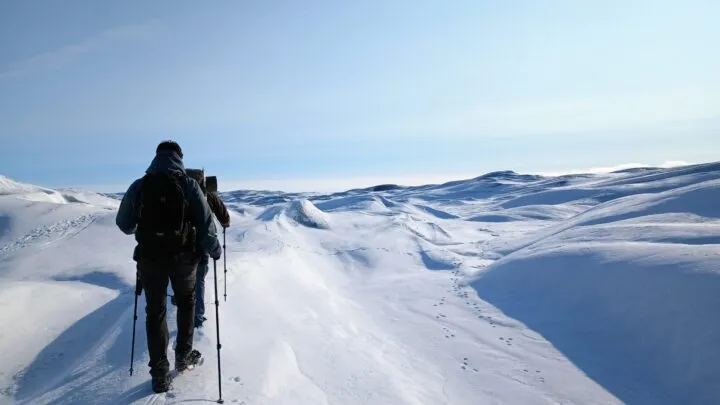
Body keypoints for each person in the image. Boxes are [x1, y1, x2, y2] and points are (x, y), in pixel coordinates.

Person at [116, 141, 222, 393]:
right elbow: (206, 224)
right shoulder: (189, 185)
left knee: (155, 312)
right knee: (187, 303)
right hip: (184, 259)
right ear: (180, 157)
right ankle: (183, 357)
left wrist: (142, 227)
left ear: (157, 157)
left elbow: (124, 223)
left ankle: (159, 374)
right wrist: (215, 250)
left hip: (150, 259)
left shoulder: (140, 186)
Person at [186, 168, 230, 328]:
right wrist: (225, 225)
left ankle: (178, 304)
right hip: (201, 246)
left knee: (180, 278)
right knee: (199, 280)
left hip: (178, 246)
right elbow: (224, 216)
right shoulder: (208, 196)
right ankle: (197, 319)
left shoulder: (178, 191)